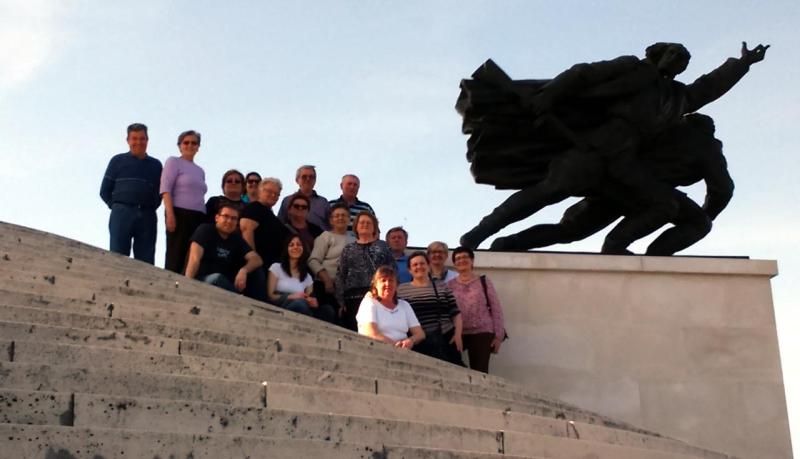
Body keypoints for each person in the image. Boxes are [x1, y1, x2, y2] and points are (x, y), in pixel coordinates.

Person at [457, 42, 769, 253]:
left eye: (683, 60)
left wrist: (742, 64)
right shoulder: (632, 68)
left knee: (658, 204)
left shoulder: (678, 97)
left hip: (626, 162)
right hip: (594, 148)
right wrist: (550, 94)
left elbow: (710, 86)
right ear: (659, 53)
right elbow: (583, 73)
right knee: (547, 192)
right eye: (674, 53)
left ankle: (613, 247)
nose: (678, 61)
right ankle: (478, 234)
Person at [99, 123, 163, 264]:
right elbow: (104, 190)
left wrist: (150, 206)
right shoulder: (117, 161)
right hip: (122, 213)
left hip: (147, 215)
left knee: (146, 261)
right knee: (117, 258)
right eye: (134, 138)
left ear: (147, 140)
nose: (138, 142)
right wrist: (117, 206)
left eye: (142, 138)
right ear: (128, 140)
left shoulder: (156, 165)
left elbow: (160, 192)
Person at [184, 204, 265, 300]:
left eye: (234, 218)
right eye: (226, 216)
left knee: (256, 271)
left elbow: (256, 259)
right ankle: (240, 300)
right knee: (217, 278)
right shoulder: (205, 230)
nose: (229, 221)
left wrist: (244, 270)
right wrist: (187, 284)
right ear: (217, 218)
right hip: (200, 279)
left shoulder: (236, 239)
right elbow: (194, 259)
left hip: (223, 283)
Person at [397, 251, 463, 365]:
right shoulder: (401, 290)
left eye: (422, 263)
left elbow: (455, 313)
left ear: (428, 266)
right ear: (409, 270)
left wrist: (457, 335)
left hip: (445, 338)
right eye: (415, 265)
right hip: (419, 342)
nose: (419, 267)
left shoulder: (441, 285)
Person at [447, 247, 504, 373]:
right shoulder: (450, 285)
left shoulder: (483, 281)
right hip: (459, 332)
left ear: (472, 260)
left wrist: (498, 336)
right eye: (458, 258)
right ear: (454, 264)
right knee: (451, 365)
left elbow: (496, 308)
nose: (461, 260)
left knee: (480, 370)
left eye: (465, 257)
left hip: (482, 331)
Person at [336, 211, 396, 331]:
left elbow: (392, 270)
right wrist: (341, 301)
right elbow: (341, 274)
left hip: (378, 296)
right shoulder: (348, 249)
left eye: (369, 223)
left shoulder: (383, 246)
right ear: (356, 227)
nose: (365, 224)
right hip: (352, 298)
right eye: (362, 222)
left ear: (374, 227)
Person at [160, 130, 208, 273]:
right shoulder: (173, 162)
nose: (190, 145)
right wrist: (170, 214)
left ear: (198, 147)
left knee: (192, 257)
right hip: (180, 214)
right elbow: (165, 188)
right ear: (180, 146)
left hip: (198, 217)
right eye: (186, 142)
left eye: (194, 143)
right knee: (176, 254)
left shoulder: (200, 171)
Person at [267, 235, 336, 323]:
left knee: (328, 310)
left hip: (302, 308)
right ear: (286, 249)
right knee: (299, 303)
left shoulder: (307, 277)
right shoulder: (276, 267)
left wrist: (312, 302)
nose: (295, 247)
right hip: (282, 306)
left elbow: (309, 298)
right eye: (291, 245)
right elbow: (271, 296)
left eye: (299, 244)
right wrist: (291, 296)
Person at [357, 265, 425, 349]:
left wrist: (411, 340)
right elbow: (371, 333)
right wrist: (396, 346)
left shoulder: (404, 305)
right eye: (383, 280)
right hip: (376, 350)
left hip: (403, 352)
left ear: (396, 285)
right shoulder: (369, 303)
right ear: (375, 285)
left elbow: (420, 334)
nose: (387, 284)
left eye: (391, 280)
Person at [308, 203, 355, 315]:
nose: (340, 218)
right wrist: (326, 280)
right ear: (331, 220)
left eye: (343, 215)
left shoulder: (354, 241)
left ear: (349, 219)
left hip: (347, 289)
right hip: (325, 285)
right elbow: (313, 261)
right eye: (337, 216)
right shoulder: (326, 236)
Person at [240, 178, 290, 268]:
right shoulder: (254, 208)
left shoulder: (271, 216)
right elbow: (246, 231)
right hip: (259, 266)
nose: (273, 195)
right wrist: (253, 261)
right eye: (269, 191)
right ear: (259, 191)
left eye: (277, 194)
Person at [277, 165, 331, 230]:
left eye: (311, 177)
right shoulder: (287, 201)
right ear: (297, 180)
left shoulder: (323, 202)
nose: (308, 179)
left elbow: (332, 226)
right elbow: (280, 225)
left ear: (315, 180)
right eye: (304, 177)